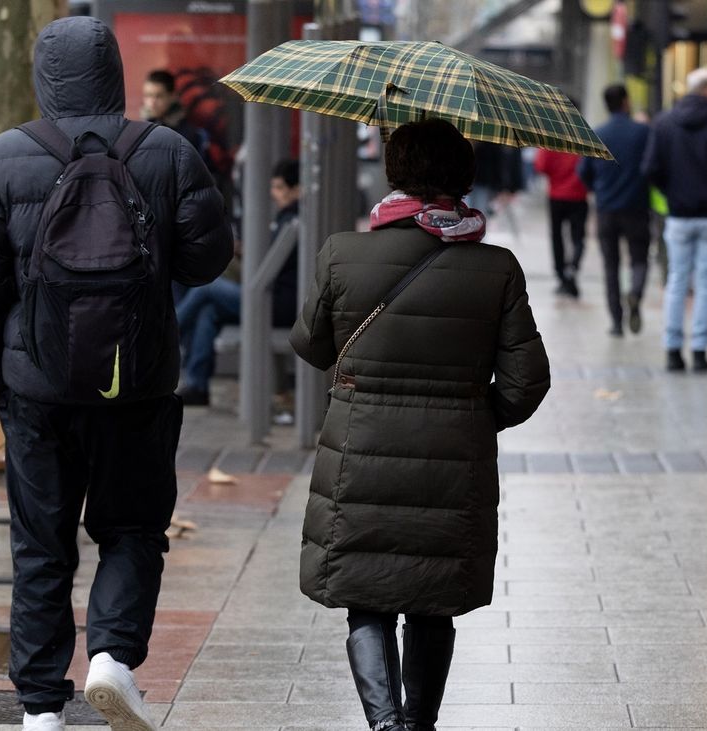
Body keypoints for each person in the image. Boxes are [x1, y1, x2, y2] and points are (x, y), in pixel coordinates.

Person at [0, 17, 231, 731]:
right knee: (133, 528)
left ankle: (41, 705)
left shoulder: (2, 158)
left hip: (37, 391)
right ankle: (111, 658)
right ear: (116, 73)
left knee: (40, 546)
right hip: (135, 383)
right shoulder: (164, 151)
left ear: (44, 77)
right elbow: (206, 259)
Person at [290, 119, 550, 731]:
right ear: (464, 176)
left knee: (366, 599)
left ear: (393, 172)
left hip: (361, 451)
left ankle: (386, 725)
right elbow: (527, 381)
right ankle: (421, 725)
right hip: (452, 463)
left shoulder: (342, 252)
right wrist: (471, 417)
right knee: (433, 604)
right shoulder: (496, 268)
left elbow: (310, 344)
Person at [643, 67, 707, 372]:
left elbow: (649, 168)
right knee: (705, 283)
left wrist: (672, 192)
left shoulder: (664, 123)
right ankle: (700, 350)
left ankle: (672, 350)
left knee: (676, 281)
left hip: (679, 215)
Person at [175, 158, 302, 406]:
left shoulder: (292, 220)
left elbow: (270, 265)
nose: (273, 194)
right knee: (208, 313)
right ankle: (198, 385)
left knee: (208, 288)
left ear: (297, 189)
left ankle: (167, 332)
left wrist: (246, 253)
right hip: (270, 296)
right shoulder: (288, 218)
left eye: (279, 188)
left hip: (277, 303)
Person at [578, 84, 652, 335]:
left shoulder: (597, 134)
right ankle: (636, 293)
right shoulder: (643, 133)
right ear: (626, 102)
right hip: (637, 208)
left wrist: (599, 189)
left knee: (611, 266)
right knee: (639, 259)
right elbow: (654, 166)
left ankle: (617, 323)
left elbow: (583, 173)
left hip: (606, 209)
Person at [533, 136, 588, 298]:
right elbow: (588, 168)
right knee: (578, 237)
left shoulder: (552, 140)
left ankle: (561, 274)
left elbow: (540, 165)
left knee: (557, 236)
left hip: (556, 196)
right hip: (579, 196)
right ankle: (573, 267)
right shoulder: (582, 140)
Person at [142, 68, 211, 164]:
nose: (152, 103)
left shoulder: (186, 134)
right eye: (148, 95)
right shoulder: (141, 129)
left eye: (159, 96)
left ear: (172, 96)